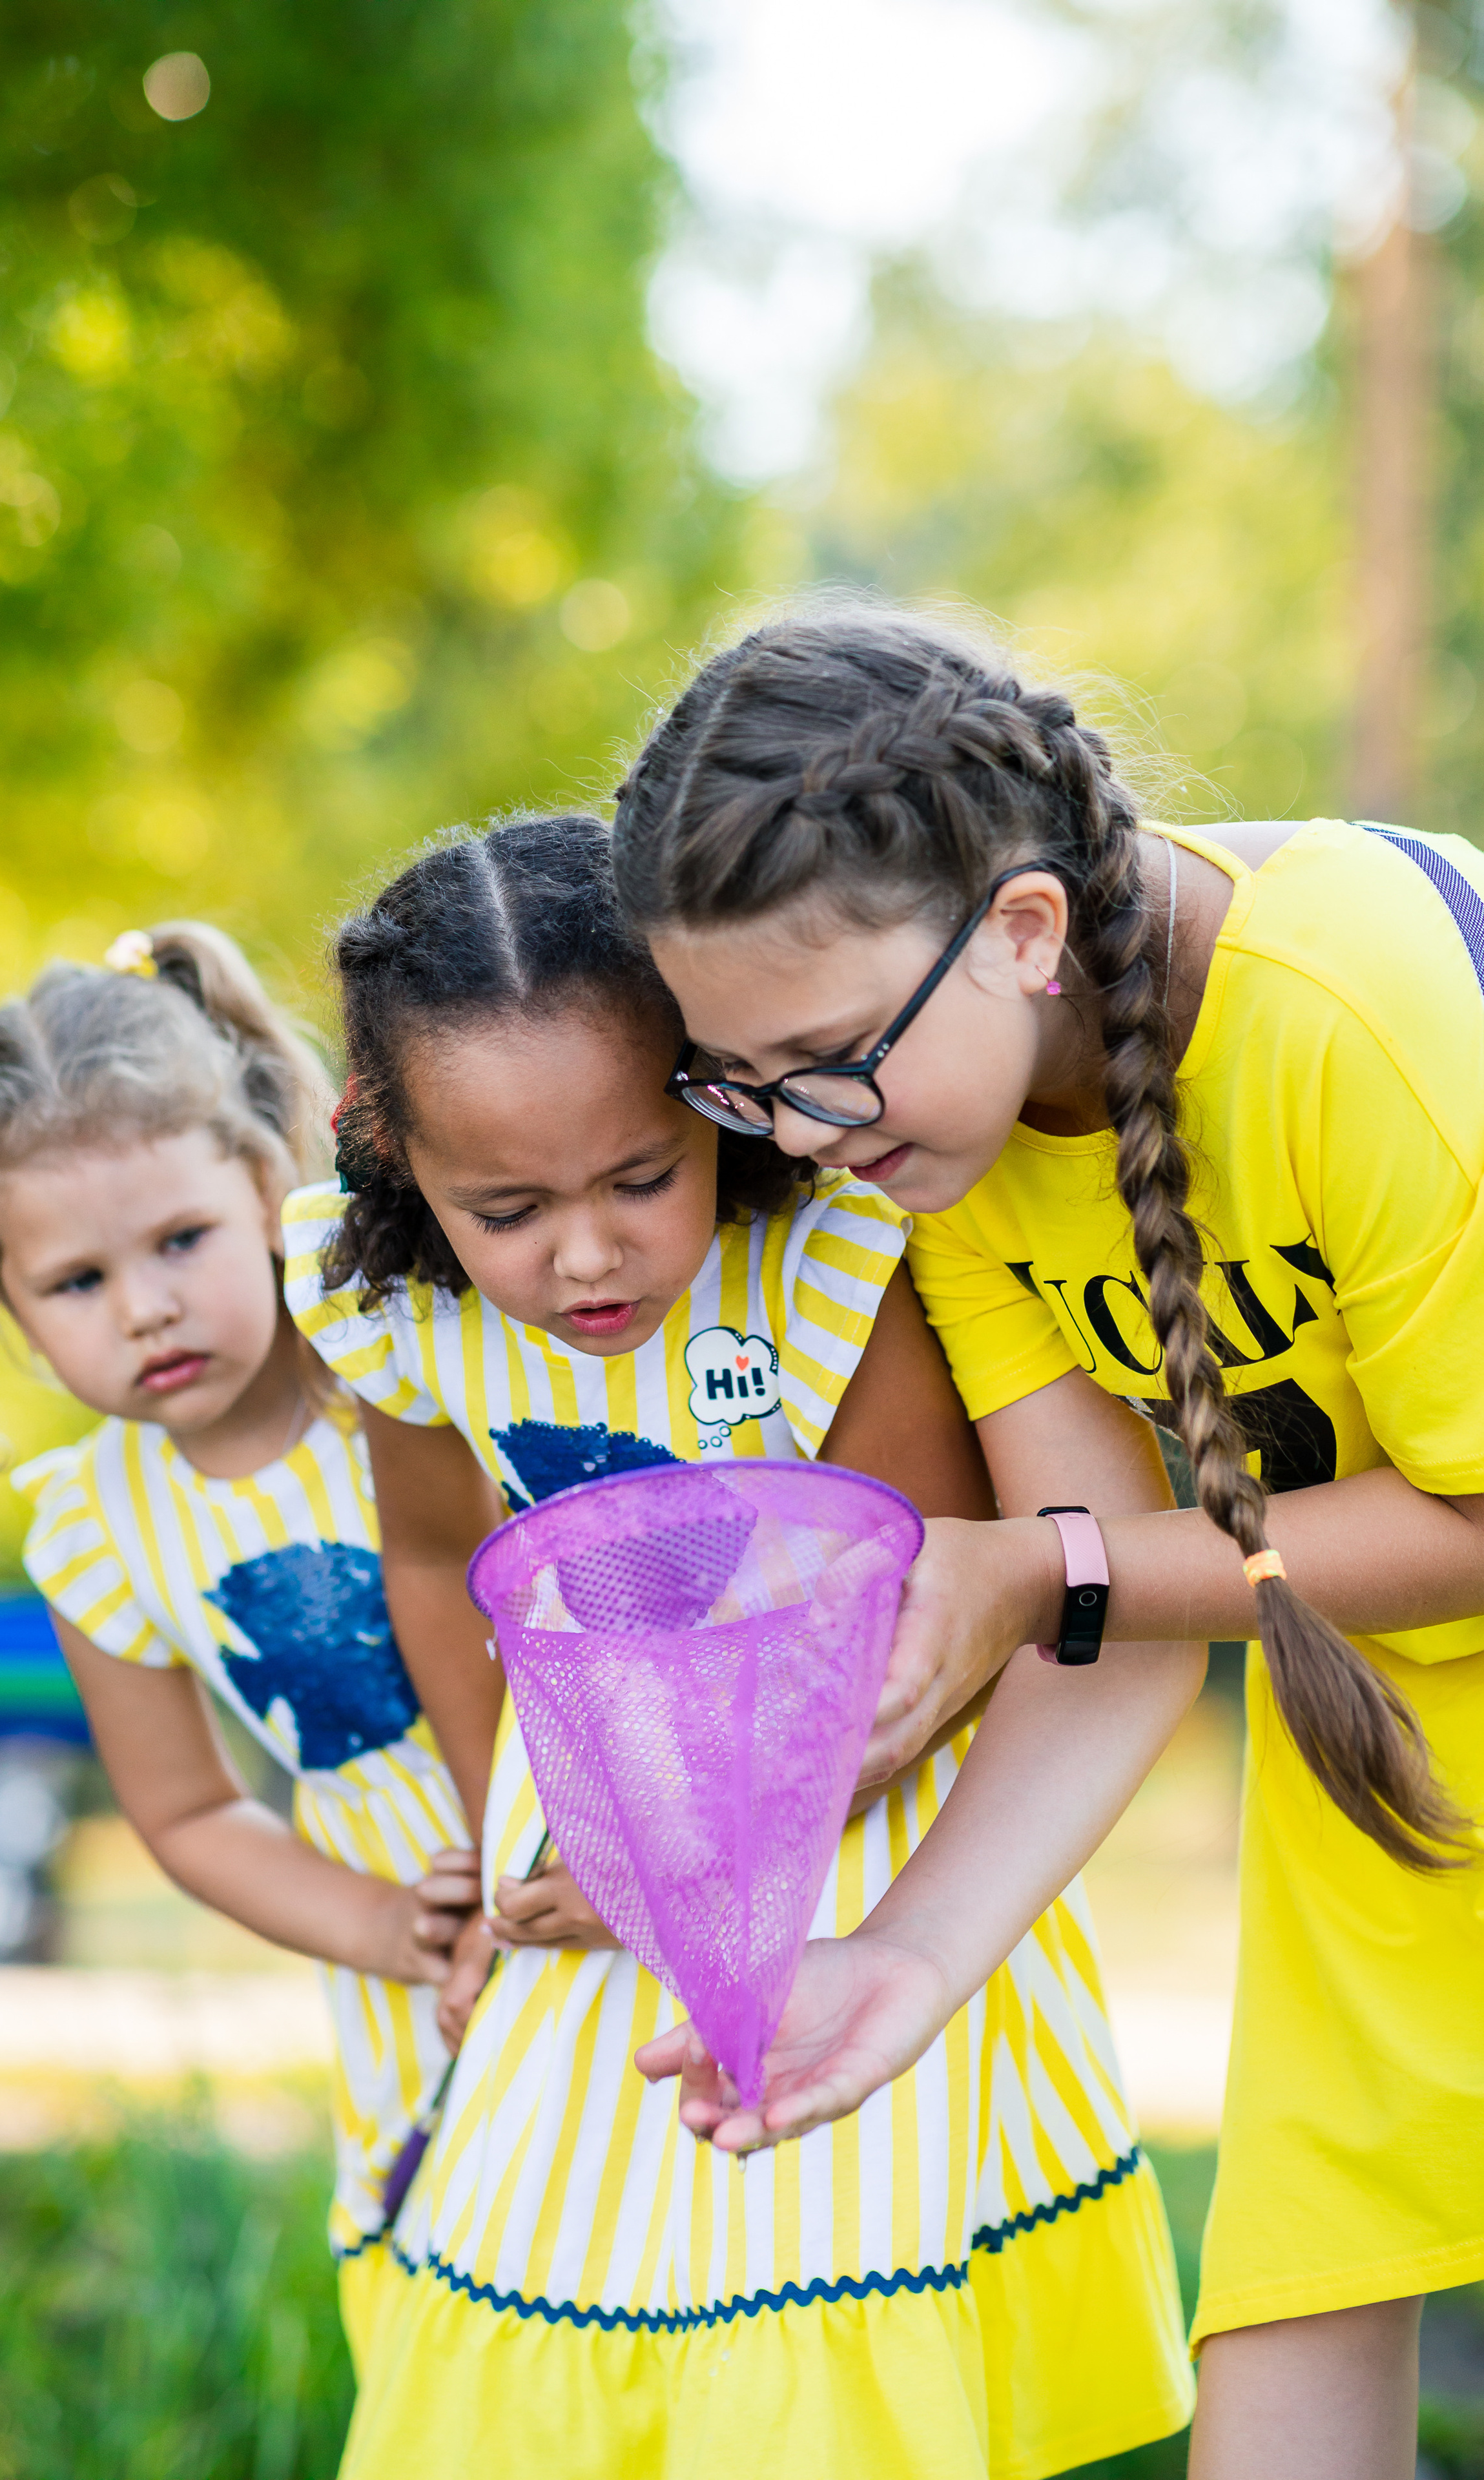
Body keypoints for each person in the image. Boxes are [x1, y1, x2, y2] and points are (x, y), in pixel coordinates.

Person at [611, 603, 1484, 2480]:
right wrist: (905, 1963)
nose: (795, 1129)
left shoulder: (1352, 1007)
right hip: (1407, 1759)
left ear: (1022, 931)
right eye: (735, 1078)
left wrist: (1038, 1575)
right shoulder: (951, 1143)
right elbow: (1125, 1598)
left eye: (826, 1057)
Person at [283, 809, 1193, 2480]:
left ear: (716, 1097)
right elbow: (434, 1557)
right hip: (583, 1887)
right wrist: (521, 1833)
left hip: (837, 1852)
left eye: (641, 1178)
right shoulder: (393, 1309)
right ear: (397, 1156)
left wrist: (682, 1848)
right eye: (509, 1206)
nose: (585, 1252)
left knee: (799, 2281)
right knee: (562, 2259)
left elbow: (912, 1632)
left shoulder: (829, 1268)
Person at [0, 922, 475, 2366]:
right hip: (415, 1975)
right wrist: (379, 1925)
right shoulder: (97, 1532)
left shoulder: (419, 1362)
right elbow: (185, 1811)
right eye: (77, 1283)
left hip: (611, 1871)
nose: (148, 1307)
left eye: (179, 1240)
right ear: (10, 1304)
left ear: (262, 1185)